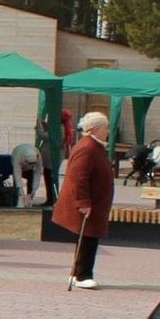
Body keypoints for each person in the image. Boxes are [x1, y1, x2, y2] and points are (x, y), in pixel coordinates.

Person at [54, 111, 115, 289]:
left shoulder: (94, 146)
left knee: (89, 238)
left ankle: (77, 272)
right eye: (106, 127)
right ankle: (83, 275)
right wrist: (83, 202)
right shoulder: (88, 147)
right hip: (88, 204)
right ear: (96, 129)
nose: (108, 131)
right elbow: (78, 177)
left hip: (95, 202)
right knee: (87, 238)